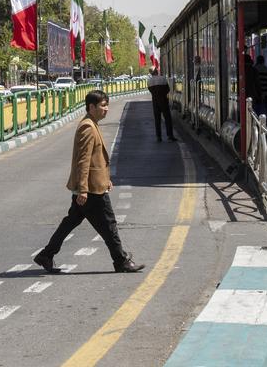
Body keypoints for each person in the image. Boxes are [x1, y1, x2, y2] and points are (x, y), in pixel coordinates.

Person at [33, 89, 145, 274]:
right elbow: (83, 160)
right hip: (91, 189)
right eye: (102, 105)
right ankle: (121, 261)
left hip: (93, 185)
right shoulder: (87, 126)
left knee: (71, 221)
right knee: (109, 224)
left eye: (107, 105)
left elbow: (96, 159)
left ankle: (46, 254)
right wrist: (83, 189)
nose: (106, 109)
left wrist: (105, 179)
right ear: (91, 107)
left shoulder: (92, 123)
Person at [147, 68, 176, 142]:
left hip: (155, 101)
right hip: (163, 100)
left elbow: (150, 90)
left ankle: (158, 137)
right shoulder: (163, 78)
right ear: (157, 71)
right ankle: (170, 136)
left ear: (151, 73)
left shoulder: (149, 81)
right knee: (167, 118)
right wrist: (163, 95)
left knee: (157, 119)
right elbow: (168, 89)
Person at [253, 55, 267, 125]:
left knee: (257, 106)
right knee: (266, 106)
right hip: (266, 92)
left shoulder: (254, 69)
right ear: (263, 61)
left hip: (257, 92)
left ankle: (257, 121)